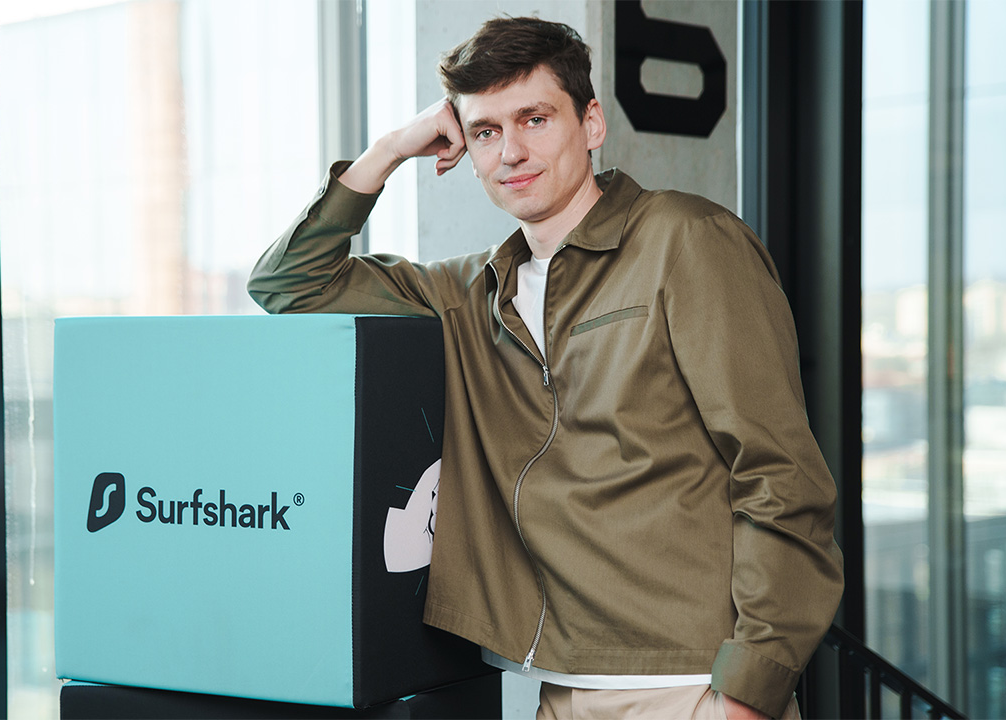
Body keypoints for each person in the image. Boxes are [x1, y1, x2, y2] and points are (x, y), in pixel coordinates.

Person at [247, 16, 843, 720]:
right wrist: (393, 148)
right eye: (486, 132)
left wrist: (750, 688)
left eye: (535, 118)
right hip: (558, 688)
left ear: (591, 123)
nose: (511, 152)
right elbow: (289, 283)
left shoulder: (688, 241)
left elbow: (779, 475)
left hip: (690, 686)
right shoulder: (469, 293)